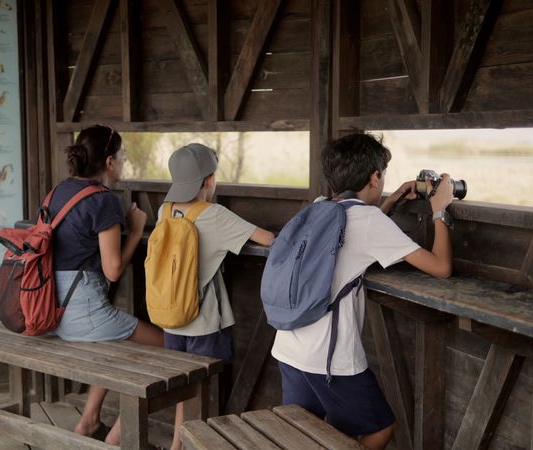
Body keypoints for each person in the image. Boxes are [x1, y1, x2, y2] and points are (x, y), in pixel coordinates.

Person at [270, 132, 454, 450]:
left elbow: (352, 229)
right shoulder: (368, 220)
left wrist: (393, 198)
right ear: (375, 176)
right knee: (380, 428)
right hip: (329, 360)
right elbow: (441, 267)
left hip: (289, 345)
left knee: (302, 436)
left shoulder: (320, 208)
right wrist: (440, 209)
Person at [48, 125, 164, 445]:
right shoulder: (105, 201)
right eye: (123, 155)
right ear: (110, 162)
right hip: (84, 314)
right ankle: (119, 438)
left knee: (122, 343)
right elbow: (113, 271)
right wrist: (137, 229)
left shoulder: (58, 192)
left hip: (51, 310)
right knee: (170, 350)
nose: (125, 161)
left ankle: (88, 421)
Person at [155, 143, 275, 450]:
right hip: (205, 323)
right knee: (207, 395)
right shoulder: (215, 215)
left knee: (185, 390)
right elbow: (267, 239)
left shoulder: (165, 210)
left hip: (171, 319)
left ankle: (176, 446)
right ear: (209, 180)